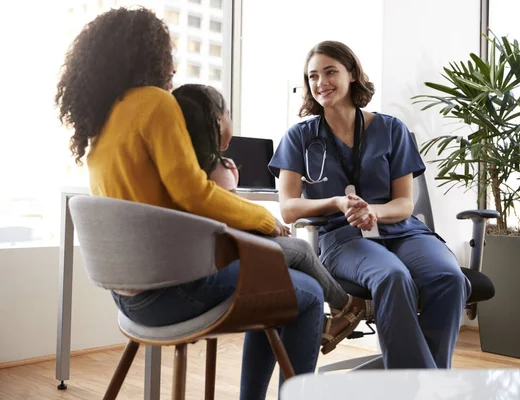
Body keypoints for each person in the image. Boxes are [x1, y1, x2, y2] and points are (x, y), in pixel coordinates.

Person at [55, 8, 319, 398]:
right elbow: (192, 192)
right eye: (168, 54)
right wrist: (263, 219)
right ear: (150, 55)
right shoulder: (155, 103)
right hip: (174, 291)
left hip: (130, 300)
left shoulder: (103, 122)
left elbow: (169, 201)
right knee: (307, 296)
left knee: (279, 282)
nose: (173, 66)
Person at [268, 40, 472, 369]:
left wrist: (373, 211)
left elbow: (405, 203)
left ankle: (422, 381)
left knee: (449, 277)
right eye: (313, 76)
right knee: (392, 277)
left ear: (352, 74)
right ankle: (422, 387)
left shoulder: (391, 129)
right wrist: (335, 202)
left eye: (330, 71)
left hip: (403, 231)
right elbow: (289, 208)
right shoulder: (299, 137)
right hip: (343, 239)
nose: (321, 82)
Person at [171, 83, 373, 354]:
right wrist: (268, 224)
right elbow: (232, 221)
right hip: (221, 260)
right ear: (218, 121)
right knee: (300, 250)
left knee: (291, 262)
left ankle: (339, 311)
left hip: (192, 262)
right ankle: (347, 306)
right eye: (229, 114)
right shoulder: (220, 169)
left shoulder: (173, 168)